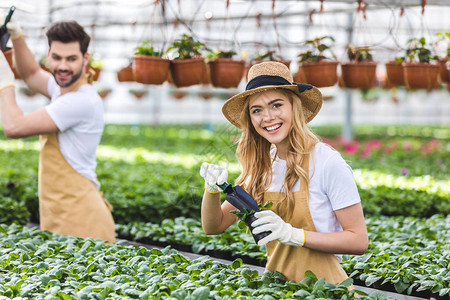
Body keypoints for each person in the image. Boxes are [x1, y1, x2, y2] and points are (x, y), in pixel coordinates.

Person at [200, 61, 368, 284]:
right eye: (256, 110)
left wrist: (294, 235)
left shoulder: (327, 162)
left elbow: (358, 241)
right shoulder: (263, 167)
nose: (267, 117)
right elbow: (214, 226)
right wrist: (211, 190)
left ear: (293, 107)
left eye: (276, 105)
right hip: (277, 288)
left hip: (325, 291)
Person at [0, 16, 115, 243]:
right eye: (56, 57)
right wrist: (17, 36)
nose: (62, 66)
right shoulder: (64, 89)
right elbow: (32, 74)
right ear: (49, 56)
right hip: (64, 217)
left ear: (86, 59)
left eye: (71, 59)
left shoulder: (80, 101)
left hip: (83, 223)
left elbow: (13, 127)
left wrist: (4, 82)